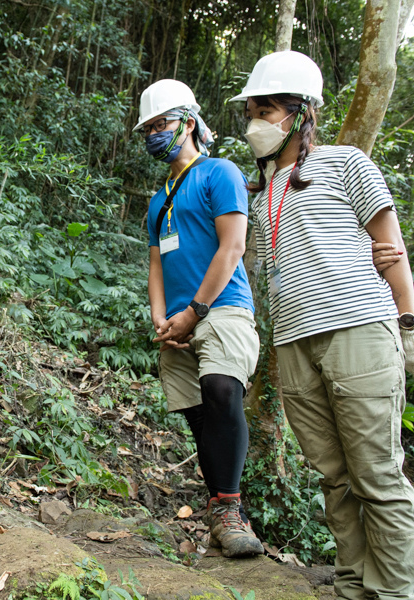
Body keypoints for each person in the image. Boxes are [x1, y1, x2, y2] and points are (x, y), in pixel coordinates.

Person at [231, 50, 414, 599]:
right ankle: (353, 586)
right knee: (335, 476)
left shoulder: (347, 161)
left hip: (357, 327)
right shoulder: (259, 190)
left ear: (301, 112)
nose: (257, 121)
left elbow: (390, 246)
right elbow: (252, 261)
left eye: (268, 109)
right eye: (252, 111)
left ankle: (397, 592)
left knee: (377, 474)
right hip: (293, 341)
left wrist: (407, 325)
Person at [136, 79, 263, 558]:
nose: (152, 134)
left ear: (188, 122)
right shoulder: (158, 198)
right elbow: (155, 264)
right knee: (197, 415)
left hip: (222, 307)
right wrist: (161, 318)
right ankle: (222, 510)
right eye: (146, 128)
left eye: (160, 124)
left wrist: (195, 311)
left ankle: (229, 510)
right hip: (176, 320)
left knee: (223, 390)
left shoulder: (219, 173)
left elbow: (233, 247)